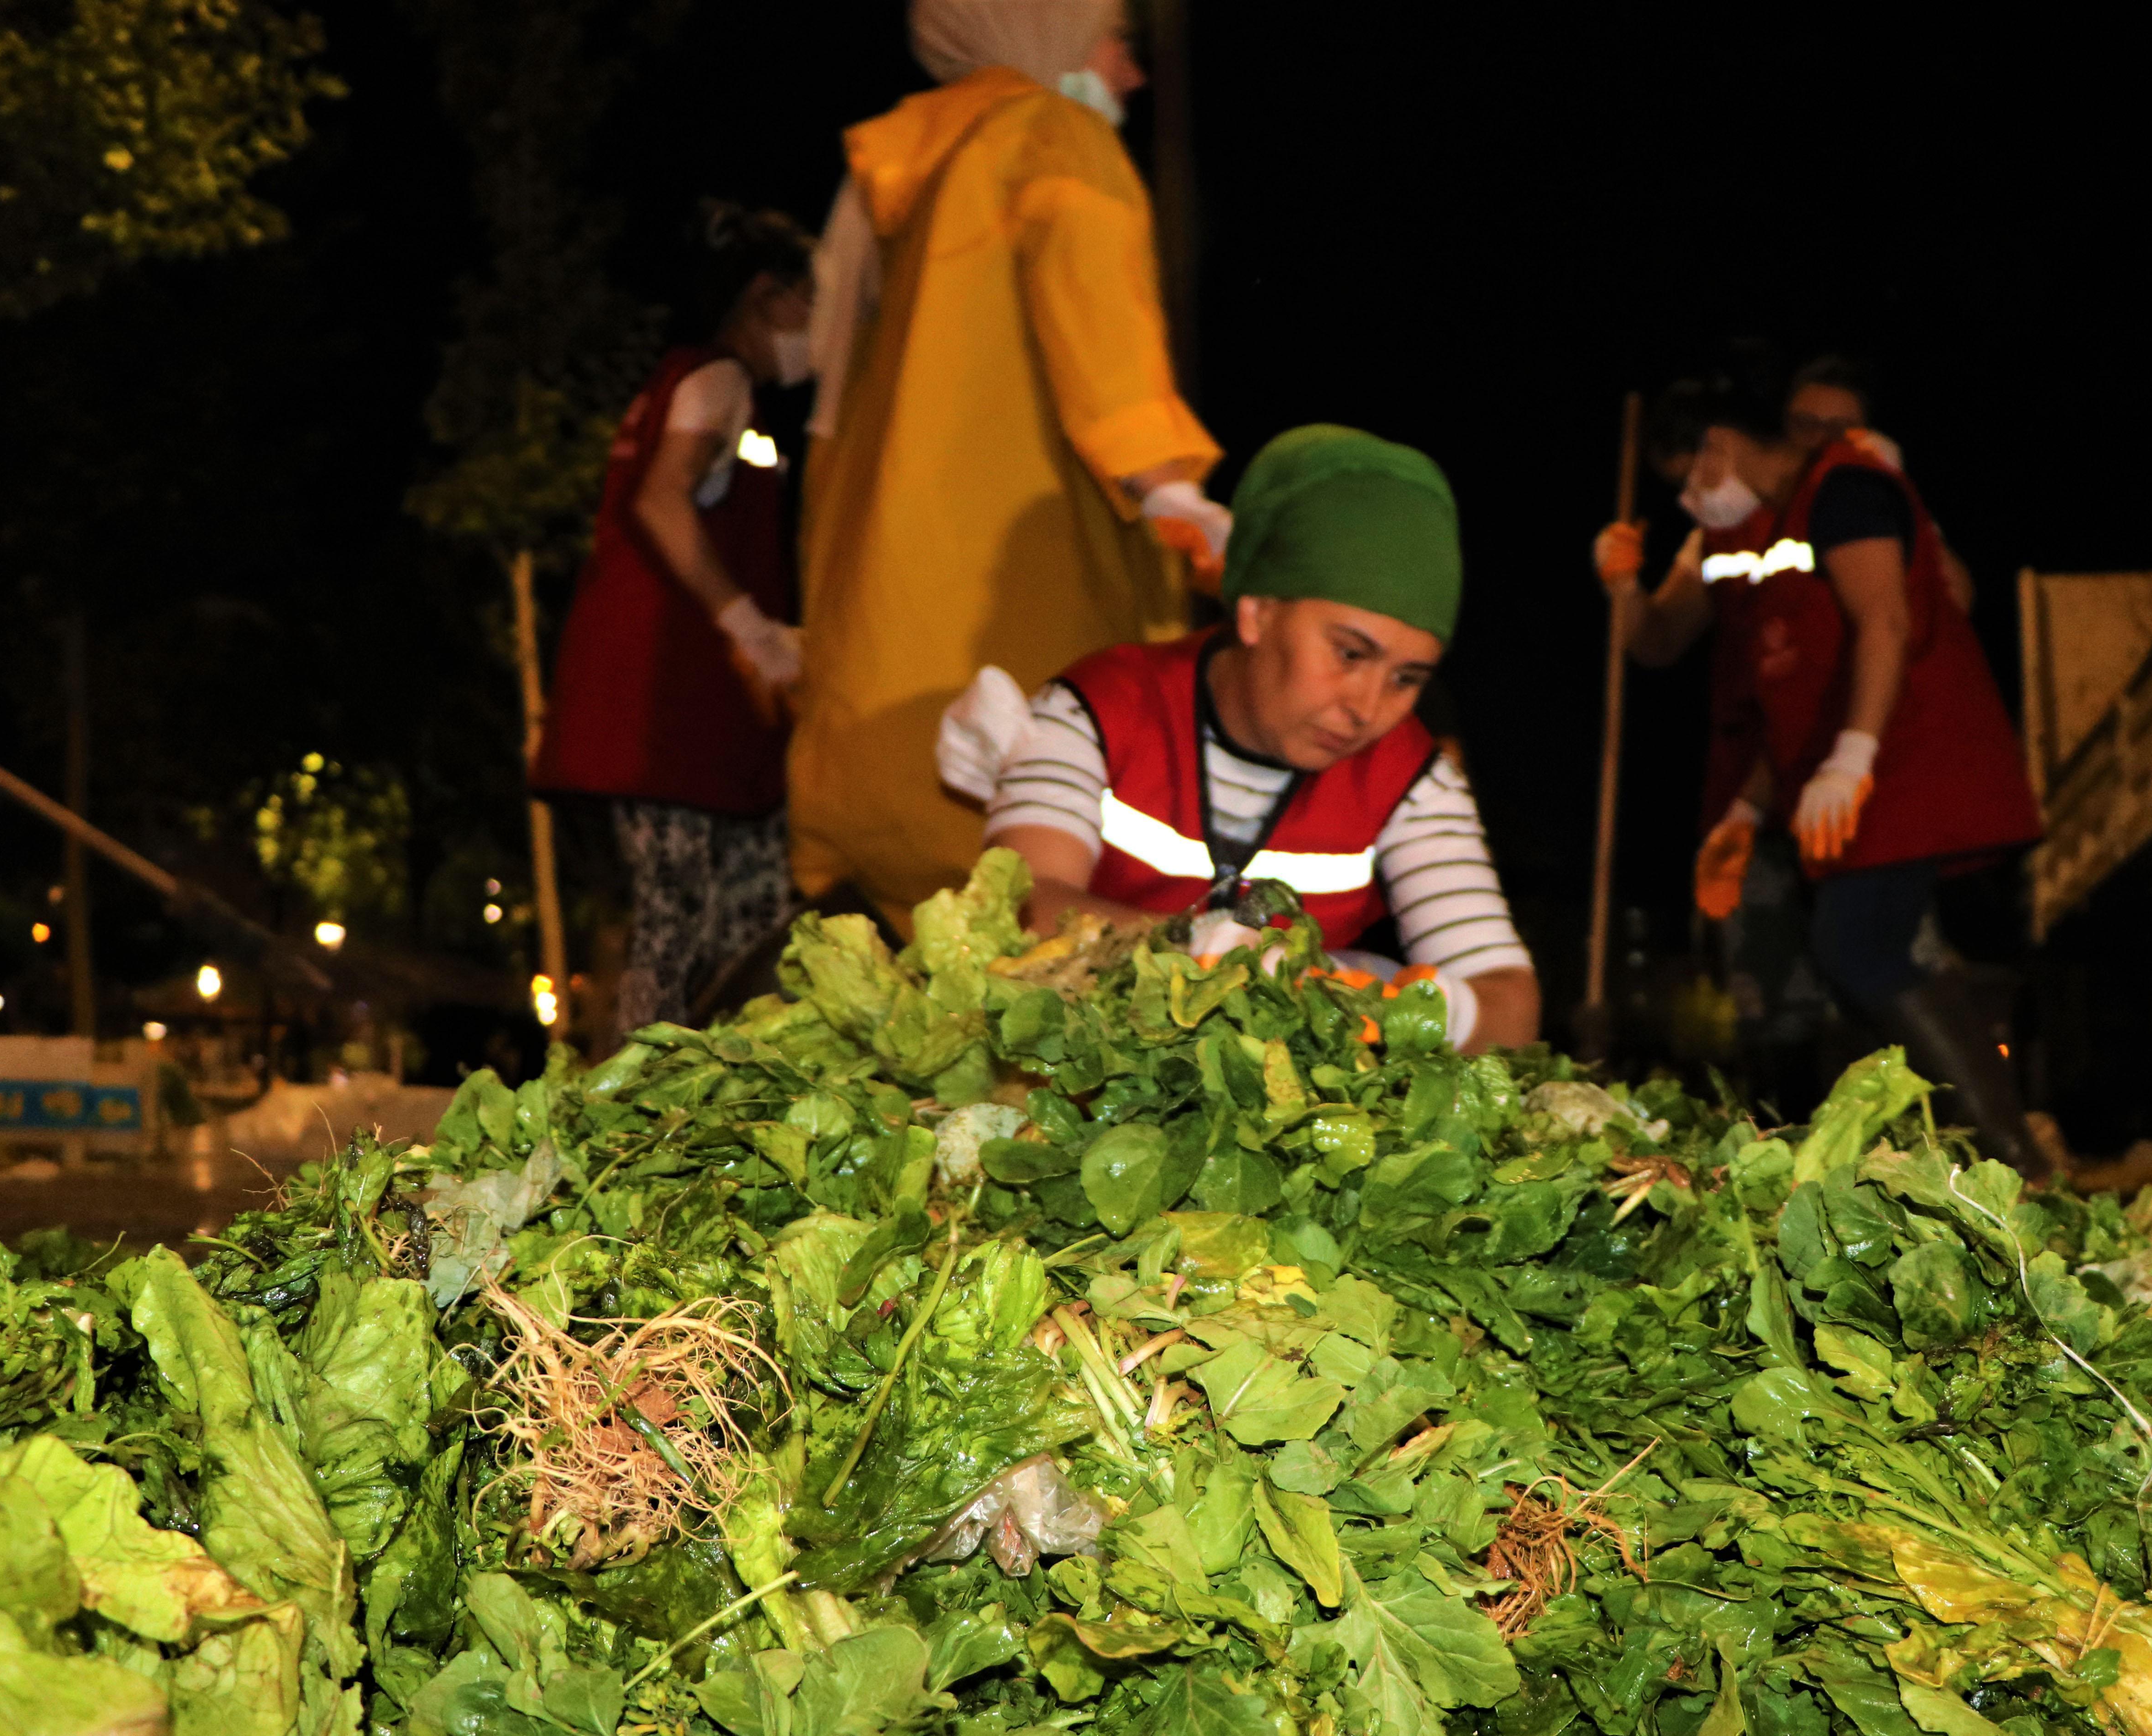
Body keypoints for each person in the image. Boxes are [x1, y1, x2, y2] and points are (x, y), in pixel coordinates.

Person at [792, 0, 1225, 935]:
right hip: (1025, 653)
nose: (1131, 75)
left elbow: (826, 427)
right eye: (1117, 44)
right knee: (1039, 985)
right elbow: (1097, 316)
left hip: (878, 696)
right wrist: (1174, 488)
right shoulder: (1052, 137)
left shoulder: (889, 188)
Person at [944, 425, 1540, 1053]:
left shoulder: (1412, 777)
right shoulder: (1094, 711)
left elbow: (1509, 1007)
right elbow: (1025, 904)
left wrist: (1392, 1000)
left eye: (1406, 678)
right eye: (1348, 653)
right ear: (1257, 610)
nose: (1368, 707)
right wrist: (1199, 949)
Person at [1614, 365, 2048, 1173]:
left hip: (1904, 764)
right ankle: (1972, 1159)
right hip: (1861, 776)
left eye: (1694, 475)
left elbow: (1886, 618)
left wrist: (1850, 762)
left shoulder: (1846, 489)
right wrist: (1748, 812)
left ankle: (2012, 1160)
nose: (1695, 498)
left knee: (1861, 950)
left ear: (1724, 443)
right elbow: (1796, 694)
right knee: (1860, 956)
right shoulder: (1786, 519)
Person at [532, 205, 813, 1032]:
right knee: (682, 926)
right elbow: (662, 500)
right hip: (671, 718)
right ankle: (642, 1108)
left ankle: (713, 1090)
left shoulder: (688, 385)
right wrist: (752, 631)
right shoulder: (717, 379)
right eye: (813, 300)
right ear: (765, 295)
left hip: (680, 722)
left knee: (730, 923)